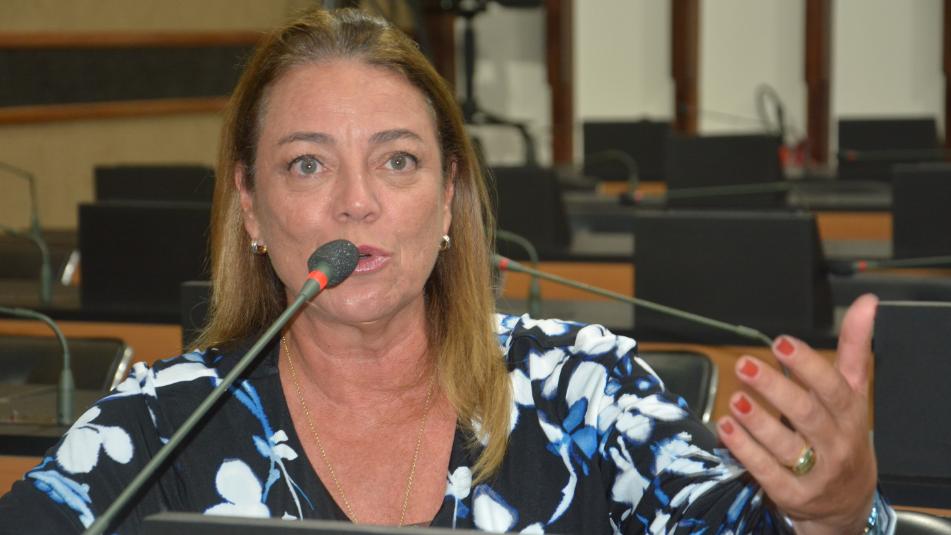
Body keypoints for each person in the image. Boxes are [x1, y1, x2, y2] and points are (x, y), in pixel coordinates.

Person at [0, 7, 891, 534]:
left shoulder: (580, 386)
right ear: (251, 206)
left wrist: (830, 511)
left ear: (449, 195)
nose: (356, 203)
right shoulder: (165, 421)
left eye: (397, 161)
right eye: (307, 164)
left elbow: (725, 519)